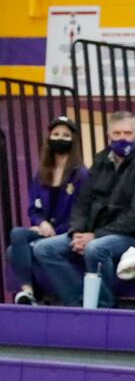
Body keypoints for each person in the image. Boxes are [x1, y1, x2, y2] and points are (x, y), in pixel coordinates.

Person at [32, 112, 135, 309]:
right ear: (108, 136)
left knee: (96, 249)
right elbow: (82, 202)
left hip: (134, 236)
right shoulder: (100, 161)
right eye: (116, 133)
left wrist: (95, 235)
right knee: (45, 248)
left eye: (127, 133)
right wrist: (76, 232)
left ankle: (104, 304)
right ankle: (79, 302)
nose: (122, 138)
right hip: (95, 232)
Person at [8, 117, 87, 305]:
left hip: (67, 234)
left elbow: (81, 213)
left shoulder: (81, 175)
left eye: (66, 135)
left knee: (14, 251)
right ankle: (28, 292)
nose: (60, 138)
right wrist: (41, 224)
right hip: (45, 232)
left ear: (73, 141)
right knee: (17, 235)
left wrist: (56, 232)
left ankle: (50, 296)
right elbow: (33, 209)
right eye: (56, 134)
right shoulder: (40, 173)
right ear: (49, 137)